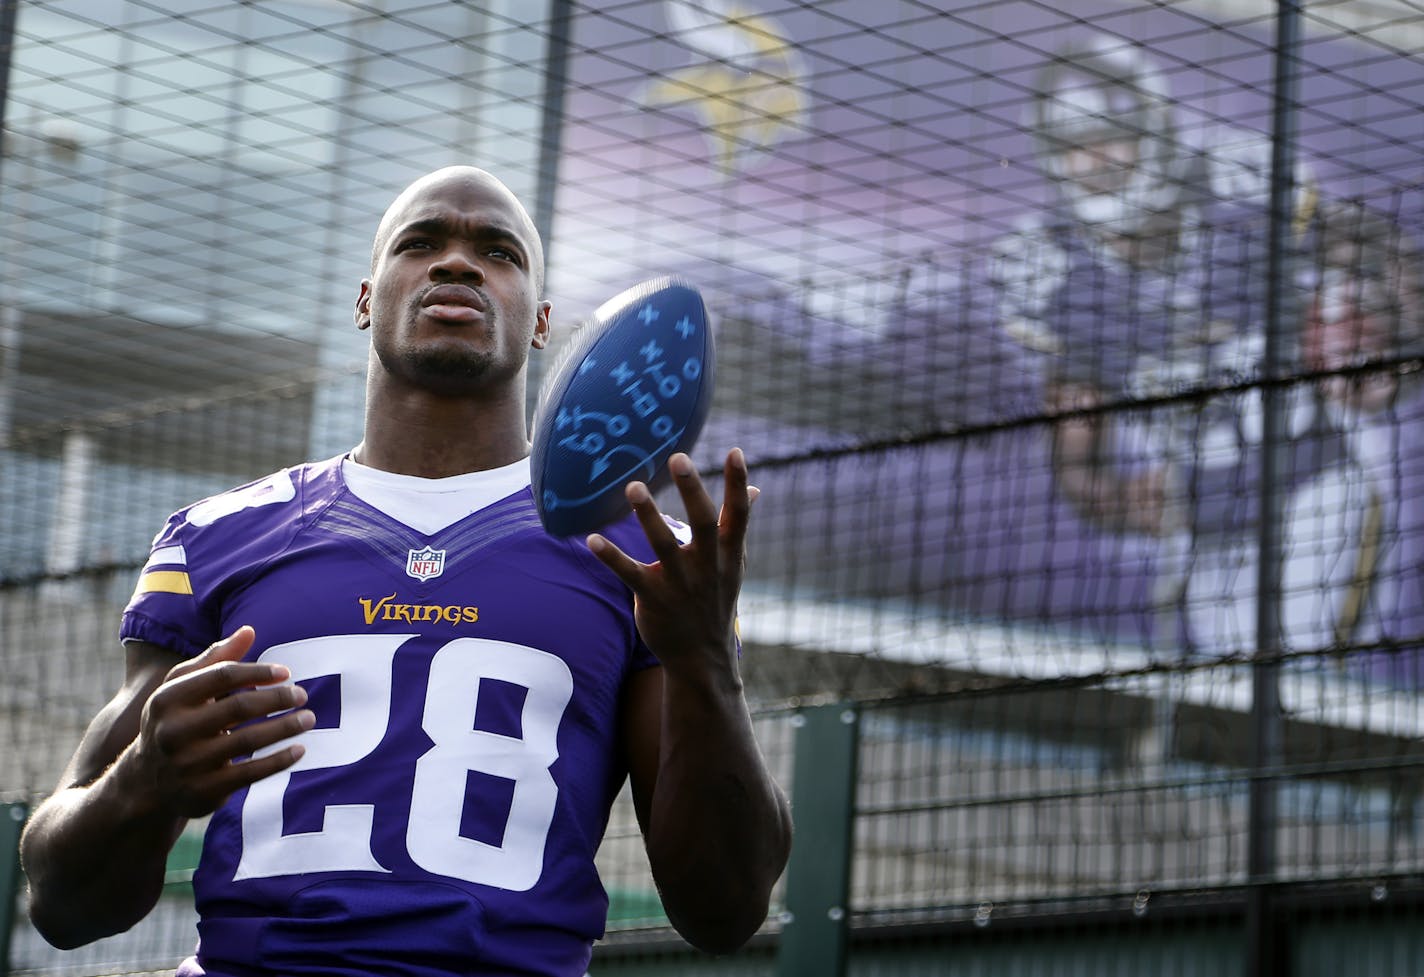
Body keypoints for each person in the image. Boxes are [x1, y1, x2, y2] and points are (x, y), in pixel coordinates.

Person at [18, 165, 793, 976]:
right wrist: (145, 779)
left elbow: (725, 910)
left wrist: (705, 660)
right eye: (420, 242)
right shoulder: (217, 538)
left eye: (499, 252)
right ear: (365, 299)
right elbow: (62, 904)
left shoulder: (641, 553)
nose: (457, 263)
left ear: (541, 323)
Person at [988, 33, 1380, 662]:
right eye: (1073, 146)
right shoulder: (1053, 272)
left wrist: (1375, 334)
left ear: (1155, 128)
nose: (1096, 161)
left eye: (1110, 135)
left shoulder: (1245, 192)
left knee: (1295, 668)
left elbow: (1373, 260)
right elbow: (1076, 460)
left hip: (1310, 493)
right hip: (1200, 517)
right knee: (1219, 682)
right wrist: (1119, 501)